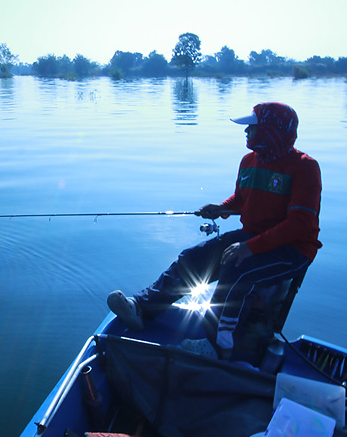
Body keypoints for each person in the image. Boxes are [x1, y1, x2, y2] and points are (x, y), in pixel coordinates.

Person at [107, 102, 321, 359]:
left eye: (252, 128)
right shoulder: (250, 161)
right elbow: (242, 200)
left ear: (271, 132)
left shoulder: (305, 167)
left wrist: (249, 248)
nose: (246, 133)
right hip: (253, 237)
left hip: (292, 249)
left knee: (238, 270)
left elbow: (300, 224)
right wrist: (221, 207)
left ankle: (218, 346)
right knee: (192, 258)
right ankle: (142, 308)